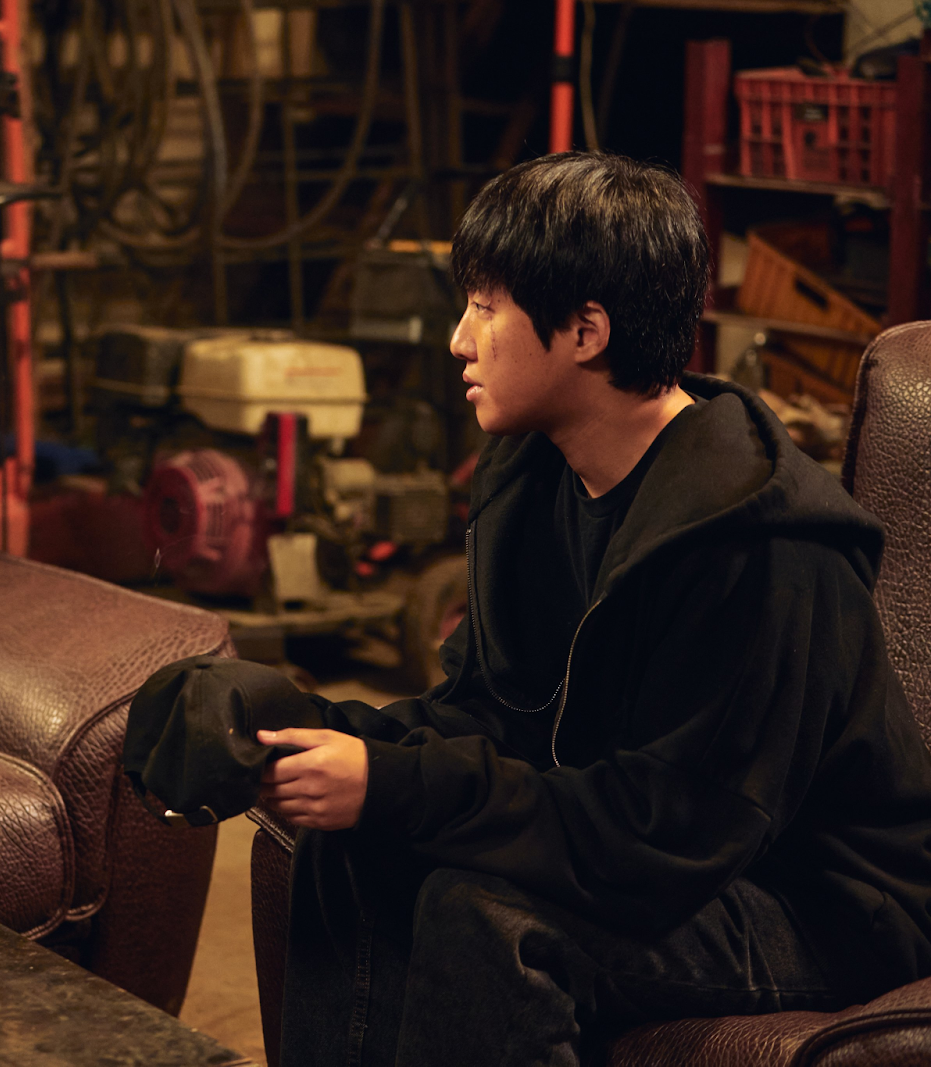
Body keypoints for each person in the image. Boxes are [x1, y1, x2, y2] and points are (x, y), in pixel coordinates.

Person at [249, 153, 931, 1063]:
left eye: (485, 308)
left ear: (585, 330)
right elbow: (487, 710)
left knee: (488, 917)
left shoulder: (758, 542)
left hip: (819, 901)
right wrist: (295, 728)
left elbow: (670, 830)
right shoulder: (531, 475)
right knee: (350, 845)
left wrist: (398, 784)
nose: (458, 340)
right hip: (660, 838)